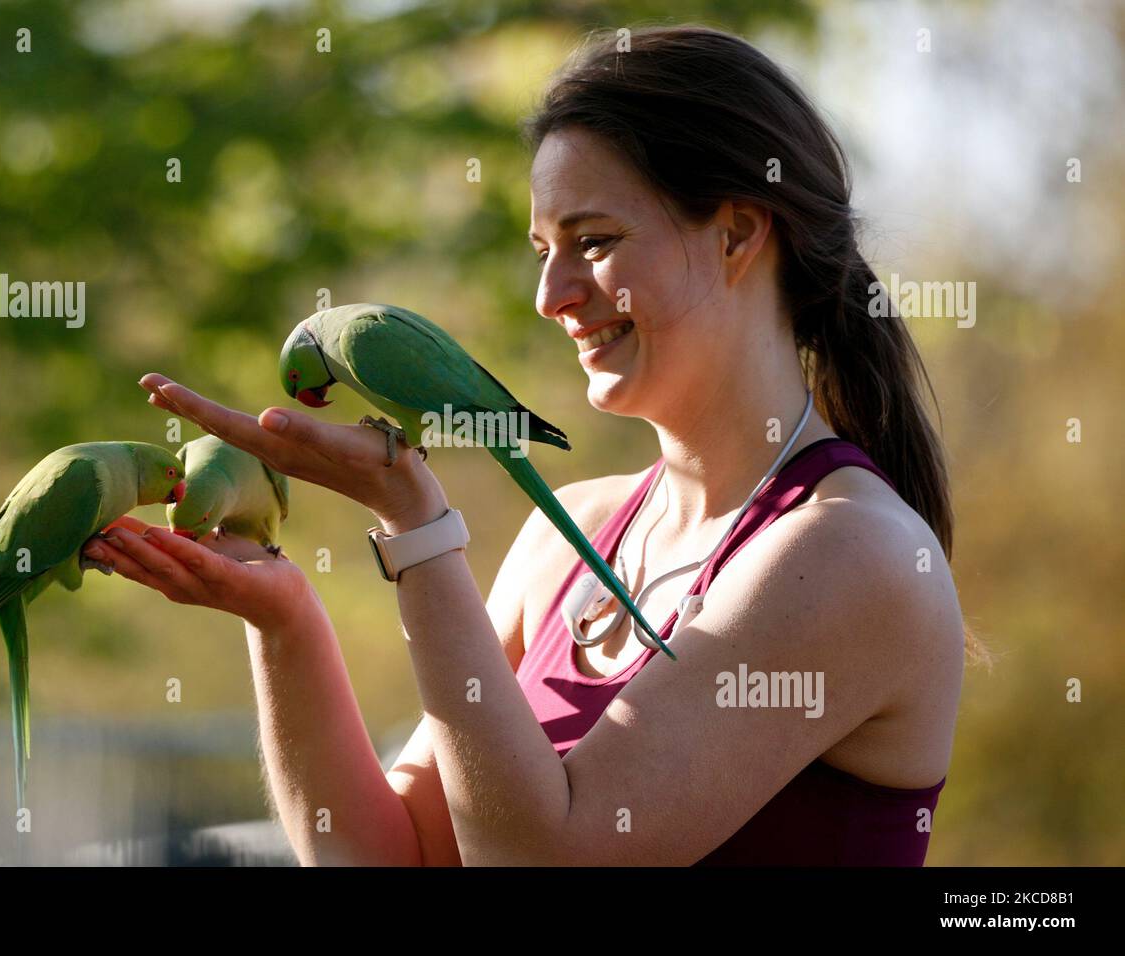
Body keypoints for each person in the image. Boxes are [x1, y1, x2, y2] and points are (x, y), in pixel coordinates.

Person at [81, 25, 972, 866]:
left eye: (594, 242)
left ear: (737, 233)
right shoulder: (567, 536)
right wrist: (280, 619)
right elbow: (393, 858)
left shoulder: (856, 553)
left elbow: (542, 857)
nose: (552, 294)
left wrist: (418, 524)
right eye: (542, 249)